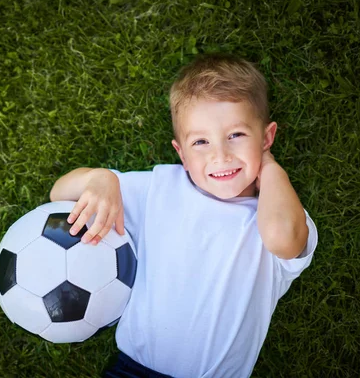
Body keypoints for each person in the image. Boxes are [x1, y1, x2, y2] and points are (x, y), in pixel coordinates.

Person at [49, 54, 318, 378]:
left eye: (236, 135)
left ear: (267, 137)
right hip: (132, 370)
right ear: (182, 154)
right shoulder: (161, 187)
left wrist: (270, 166)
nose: (220, 155)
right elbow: (60, 194)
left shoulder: (273, 213)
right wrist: (100, 178)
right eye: (201, 141)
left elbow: (284, 239)